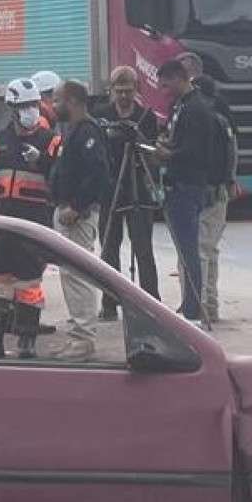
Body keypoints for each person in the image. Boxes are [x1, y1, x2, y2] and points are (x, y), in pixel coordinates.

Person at [0, 77, 59, 358]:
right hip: (3, 218)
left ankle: (27, 339)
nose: (30, 111)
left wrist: (42, 161)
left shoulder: (51, 140)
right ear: (12, 109)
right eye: (24, 106)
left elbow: (60, 177)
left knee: (29, 281)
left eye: (34, 105)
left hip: (35, 218)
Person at [46, 79, 111, 360]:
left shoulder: (88, 132)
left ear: (72, 101)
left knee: (78, 277)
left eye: (57, 100)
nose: (53, 106)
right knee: (69, 277)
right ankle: (76, 334)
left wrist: (77, 206)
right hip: (67, 213)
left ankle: (84, 339)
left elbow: (98, 174)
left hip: (78, 217)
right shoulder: (72, 131)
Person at [92, 66, 162, 319]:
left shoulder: (146, 117)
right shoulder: (101, 115)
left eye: (128, 91)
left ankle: (152, 305)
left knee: (143, 249)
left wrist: (137, 136)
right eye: (119, 91)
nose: (123, 96)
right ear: (111, 90)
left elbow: (152, 153)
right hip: (111, 188)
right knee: (109, 248)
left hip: (138, 186)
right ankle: (110, 303)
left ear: (136, 90)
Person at [154, 58, 217, 324]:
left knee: (190, 251)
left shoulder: (197, 109)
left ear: (180, 79)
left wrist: (169, 155)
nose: (164, 91)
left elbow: (196, 152)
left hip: (188, 186)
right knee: (184, 250)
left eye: (166, 85)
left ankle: (193, 311)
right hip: (176, 184)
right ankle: (189, 303)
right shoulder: (179, 106)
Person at [181, 52, 239, 325]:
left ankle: (198, 308)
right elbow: (234, 145)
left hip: (202, 189)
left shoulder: (195, 110)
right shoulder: (221, 106)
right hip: (220, 189)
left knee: (196, 252)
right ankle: (211, 306)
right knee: (210, 250)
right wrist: (231, 179)